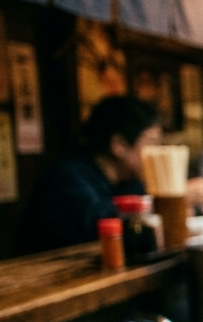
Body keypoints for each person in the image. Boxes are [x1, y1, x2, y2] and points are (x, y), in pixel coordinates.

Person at [17, 96, 156, 252]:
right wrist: (174, 198)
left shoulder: (129, 182)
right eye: (151, 143)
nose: (158, 153)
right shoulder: (67, 176)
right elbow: (96, 224)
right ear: (119, 145)